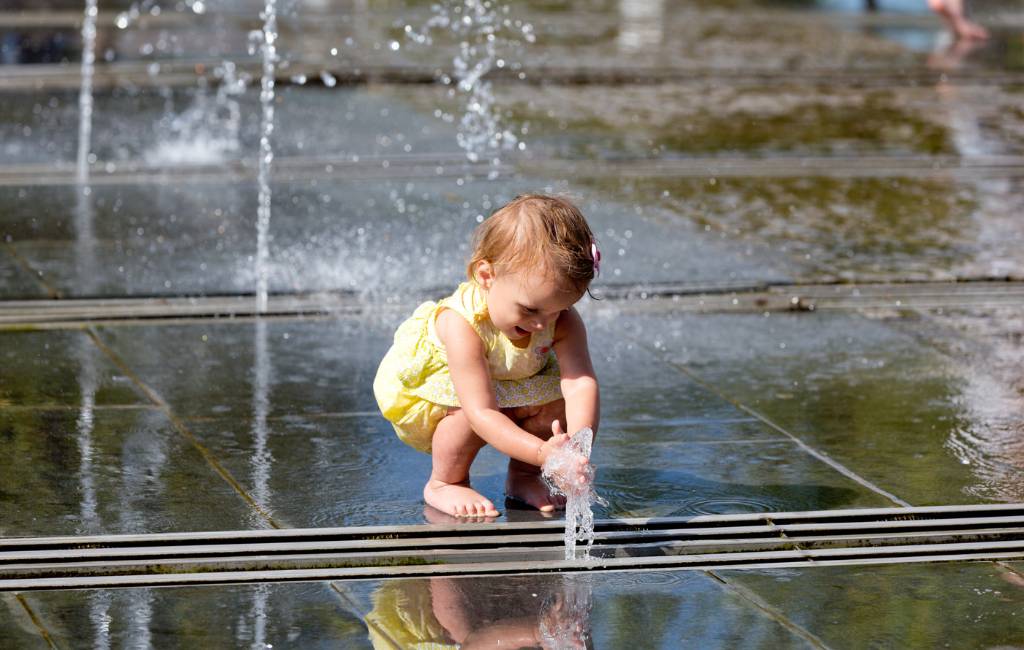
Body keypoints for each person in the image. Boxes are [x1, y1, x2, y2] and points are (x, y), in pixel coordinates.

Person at [374, 194, 600, 517]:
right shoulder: (461, 324)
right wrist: (544, 453)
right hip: (458, 399)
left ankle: (523, 476)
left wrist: (575, 449)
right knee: (465, 417)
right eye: (530, 310)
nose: (542, 323)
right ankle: (445, 482)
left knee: (557, 405)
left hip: (511, 385)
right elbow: (480, 411)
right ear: (486, 276)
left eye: (558, 309)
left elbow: (580, 384)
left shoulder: (561, 320)